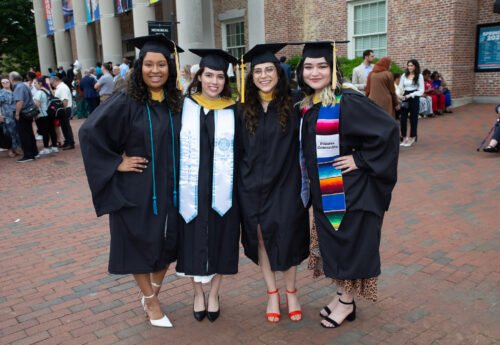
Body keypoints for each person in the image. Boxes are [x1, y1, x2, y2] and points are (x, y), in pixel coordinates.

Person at [79, 34, 183, 328]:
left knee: (168, 243)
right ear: (139, 68)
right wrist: (117, 162)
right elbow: (89, 132)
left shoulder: (177, 102)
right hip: (138, 187)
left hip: (171, 188)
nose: (155, 70)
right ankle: (150, 300)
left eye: (161, 64)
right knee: (139, 243)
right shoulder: (126, 100)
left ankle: (155, 291)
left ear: (169, 68)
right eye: (149, 64)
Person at [296, 41, 399, 329]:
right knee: (336, 246)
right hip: (328, 192)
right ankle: (342, 297)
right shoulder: (311, 104)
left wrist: (360, 159)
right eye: (308, 66)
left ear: (333, 69)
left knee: (348, 247)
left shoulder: (347, 101)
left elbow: (388, 129)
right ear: (300, 71)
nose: (314, 72)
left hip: (349, 193)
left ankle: (346, 303)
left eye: (322, 66)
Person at [239, 44, 310, 323]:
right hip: (252, 186)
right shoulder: (242, 108)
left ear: (279, 73)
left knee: (288, 237)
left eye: (269, 69)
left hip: (287, 184)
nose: (264, 75)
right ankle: (272, 293)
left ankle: (291, 292)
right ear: (251, 76)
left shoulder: (296, 103)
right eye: (258, 71)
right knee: (262, 241)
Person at [177, 49, 240, 323]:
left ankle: (214, 293)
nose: (214, 82)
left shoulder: (234, 109)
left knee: (222, 240)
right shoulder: (183, 106)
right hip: (190, 188)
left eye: (220, 77)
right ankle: (197, 293)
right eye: (209, 75)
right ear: (198, 76)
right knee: (190, 241)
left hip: (224, 189)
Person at [10, 72, 39, 162]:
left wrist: (17, 113)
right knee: (29, 132)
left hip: (22, 113)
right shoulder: (24, 85)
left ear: (12, 79)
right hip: (27, 112)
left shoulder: (18, 87)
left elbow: (20, 101)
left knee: (24, 134)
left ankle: (28, 154)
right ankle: (34, 152)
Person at [396, 59, 424, 147]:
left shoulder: (419, 76)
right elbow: (400, 87)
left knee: (413, 118)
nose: (409, 67)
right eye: (408, 65)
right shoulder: (404, 75)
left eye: (411, 65)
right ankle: (404, 137)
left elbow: (421, 90)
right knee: (403, 118)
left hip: (414, 97)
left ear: (415, 66)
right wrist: (398, 94)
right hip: (405, 97)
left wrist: (411, 95)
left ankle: (412, 137)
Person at [33, 77, 58, 154]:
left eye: (35, 83)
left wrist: (34, 113)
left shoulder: (39, 92)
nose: (34, 85)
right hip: (50, 113)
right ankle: (54, 146)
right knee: (52, 130)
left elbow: (37, 103)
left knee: (45, 132)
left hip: (42, 114)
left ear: (40, 83)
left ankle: (46, 148)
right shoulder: (48, 91)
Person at [51, 75, 75, 150]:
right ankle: (67, 141)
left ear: (55, 81)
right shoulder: (60, 87)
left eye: (52, 83)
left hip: (65, 108)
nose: (52, 85)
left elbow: (65, 100)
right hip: (63, 108)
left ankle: (70, 142)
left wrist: (62, 109)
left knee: (66, 126)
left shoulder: (62, 87)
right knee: (64, 126)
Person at [0, 78, 22, 157]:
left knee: (17, 131)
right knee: (9, 132)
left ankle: (17, 148)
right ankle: (10, 149)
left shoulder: (14, 91)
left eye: (7, 82)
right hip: (6, 115)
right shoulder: (1, 93)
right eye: (3, 82)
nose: (5, 83)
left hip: (15, 114)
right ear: (1, 84)